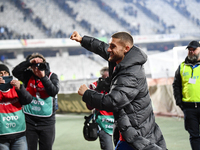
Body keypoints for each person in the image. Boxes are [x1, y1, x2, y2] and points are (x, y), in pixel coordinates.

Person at [70, 31, 167, 150]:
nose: (109, 49)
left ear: (126, 48)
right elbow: (101, 47)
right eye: (110, 45)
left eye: (112, 46)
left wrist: (87, 93)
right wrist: (82, 39)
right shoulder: (121, 58)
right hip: (129, 130)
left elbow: (112, 102)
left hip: (136, 134)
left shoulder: (130, 74)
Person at [12, 53, 60, 150]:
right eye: (34, 66)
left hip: (47, 122)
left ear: (45, 65)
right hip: (29, 120)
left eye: (40, 65)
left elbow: (53, 92)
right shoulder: (28, 75)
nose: (36, 68)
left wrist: (43, 77)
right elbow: (15, 72)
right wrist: (29, 62)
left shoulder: (52, 76)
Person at [173, 40, 200, 150]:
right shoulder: (182, 67)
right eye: (189, 50)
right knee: (194, 136)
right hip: (189, 109)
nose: (191, 51)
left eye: (194, 49)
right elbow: (176, 86)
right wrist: (180, 103)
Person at [0, 63, 32, 150]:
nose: (3, 75)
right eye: (0, 73)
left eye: (5, 73)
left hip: (19, 135)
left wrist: (21, 88)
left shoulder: (16, 87)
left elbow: (28, 100)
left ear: (9, 75)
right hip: (1, 137)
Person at [87, 66, 114, 150]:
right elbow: (89, 106)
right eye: (105, 78)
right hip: (103, 122)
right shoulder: (94, 86)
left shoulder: (118, 84)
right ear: (101, 76)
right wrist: (97, 90)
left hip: (119, 121)